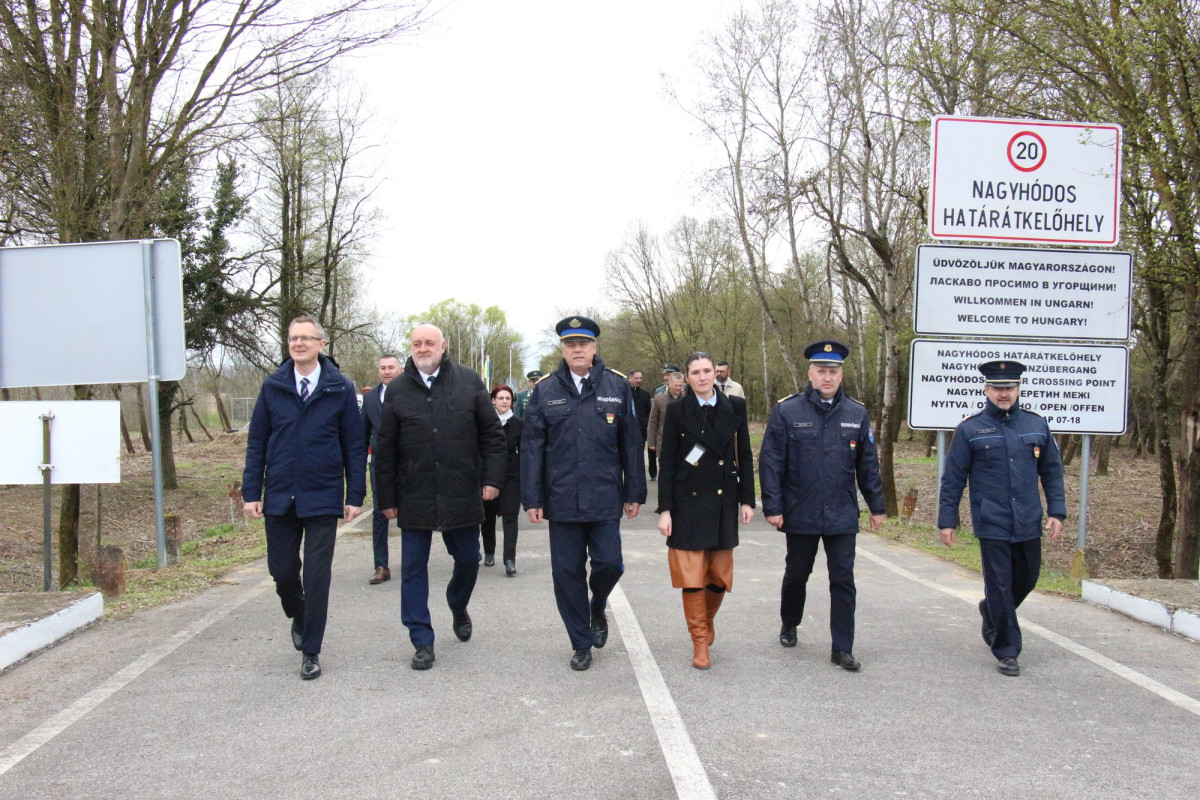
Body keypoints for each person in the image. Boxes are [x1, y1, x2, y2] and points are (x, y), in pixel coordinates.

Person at [374, 324, 506, 671]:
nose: (422, 348)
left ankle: (457, 603)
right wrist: (385, 497)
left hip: (460, 490)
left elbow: (492, 436)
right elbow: (384, 449)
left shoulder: (469, 381)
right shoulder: (398, 389)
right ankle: (421, 639)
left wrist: (492, 479)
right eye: (416, 343)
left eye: (429, 342)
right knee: (413, 569)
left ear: (443, 346)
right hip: (414, 493)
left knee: (468, 559)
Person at [242, 315, 365, 681]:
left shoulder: (339, 388)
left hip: (323, 494)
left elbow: (354, 446)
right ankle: (298, 611)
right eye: (293, 339)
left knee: (317, 576)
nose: (298, 344)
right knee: (282, 571)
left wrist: (354, 494)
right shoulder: (273, 386)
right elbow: (257, 443)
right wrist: (252, 492)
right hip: (280, 493)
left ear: (321, 345)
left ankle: (311, 651)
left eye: (306, 339)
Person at [521, 316, 647, 671]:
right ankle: (580, 641)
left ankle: (597, 606)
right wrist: (532, 498)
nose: (577, 350)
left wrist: (634, 491)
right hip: (561, 501)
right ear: (562, 349)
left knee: (608, 564)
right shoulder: (544, 390)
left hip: (605, 496)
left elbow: (631, 443)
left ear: (594, 348)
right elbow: (532, 448)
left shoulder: (616, 386)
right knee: (567, 574)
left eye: (583, 344)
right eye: (570, 344)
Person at [758, 339, 886, 672]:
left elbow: (868, 464)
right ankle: (790, 621)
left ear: (840, 375)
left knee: (843, 580)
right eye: (821, 371)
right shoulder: (788, 411)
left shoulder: (856, 413)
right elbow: (771, 463)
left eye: (833, 372)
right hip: (801, 509)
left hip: (842, 512)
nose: (827, 378)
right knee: (797, 574)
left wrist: (877, 505)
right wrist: (773, 506)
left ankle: (842, 648)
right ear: (810, 374)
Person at [938, 360, 1065, 677]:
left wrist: (1057, 512)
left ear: (1019, 388)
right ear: (987, 389)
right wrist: (947, 520)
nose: (1004, 394)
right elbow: (953, 478)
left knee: (1028, 578)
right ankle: (1007, 650)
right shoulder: (971, 429)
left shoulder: (1036, 425)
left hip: (1027, 520)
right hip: (991, 520)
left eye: (1009, 388)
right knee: (999, 585)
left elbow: (1051, 472)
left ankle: (990, 612)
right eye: (998, 388)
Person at [656, 352, 755, 670]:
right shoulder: (676, 410)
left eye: (707, 371)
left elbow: (745, 455)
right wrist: (665, 509)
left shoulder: (735, 406)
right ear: (686, 377)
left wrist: (747, 500)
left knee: (718, 576)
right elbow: (668, 460)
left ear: (716, 374)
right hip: (687, 500)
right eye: (695, 372)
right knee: (692, 576)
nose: (702, 377)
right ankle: (700, 642)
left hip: (723, 498)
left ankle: (707, 620)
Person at [361, 354, 401, 585]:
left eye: (391, 367)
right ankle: (381, 565)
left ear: (400, 370)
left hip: (408, 464)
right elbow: (362, 434)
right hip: (380, 465)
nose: (387, 371)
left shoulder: (410, 393)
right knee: (379, 513)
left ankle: (415, 562)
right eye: (382, 368)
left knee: (413, 513)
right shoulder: (370, 399)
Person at [482, 384, 523, 576]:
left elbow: (525, 452)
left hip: (511, 476)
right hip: (489, 476)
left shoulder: (519, 424)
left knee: (510, 517)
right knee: (487, 517)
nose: (504, 401)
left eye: (508, 398)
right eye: (501, 398)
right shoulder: (485, 424)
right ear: (493, 401)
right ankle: (489, 552)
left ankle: (509, 559)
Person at [646, 371, 685, 471]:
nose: (678, 388)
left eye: (680, 385)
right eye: (676, 385)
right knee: (666, 472)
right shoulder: (659, 399)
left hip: (683, 443)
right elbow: (653, 422)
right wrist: (651, 443)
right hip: (663, 443)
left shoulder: (687, 399)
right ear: (669, 383)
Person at [628, 369, 654, 480]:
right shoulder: (624, 393)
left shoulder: (645, 395)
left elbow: (649, 412)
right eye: (636, 378)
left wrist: (644, 423)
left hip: (641, 429)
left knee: (639, 452)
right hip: (627, 428)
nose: (639, 380)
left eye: (640, 378)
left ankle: (640, 473)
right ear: (629, 379)